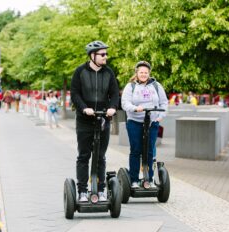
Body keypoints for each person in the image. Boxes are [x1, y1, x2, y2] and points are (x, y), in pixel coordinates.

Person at [71, 40, 119, 202]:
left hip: (103, 120)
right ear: (92, 56)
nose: (106, 57)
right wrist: (84, 108)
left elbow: (115, 94)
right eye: (102, 54)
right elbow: (75, 94)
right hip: (85, 121)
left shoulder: (109, 73)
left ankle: (100, 190)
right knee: (84, 156)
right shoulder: (80, 72)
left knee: (100, 156)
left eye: (106, 54)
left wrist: (112, 107)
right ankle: (83, 191)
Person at [121, 61, 168, 189]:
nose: (143, 74)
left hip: (152, 122)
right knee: (136, 150)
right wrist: (135, 108)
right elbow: (124, 103)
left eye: (146, 72)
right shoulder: (130, 86)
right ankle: (134, 180)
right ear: (137, 73)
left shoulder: (156, 86)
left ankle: (149, 179)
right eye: (141, 72)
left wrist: (160, 117)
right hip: (134, 122)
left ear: (149, 73)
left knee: (150, 150)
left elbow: (164, 103)